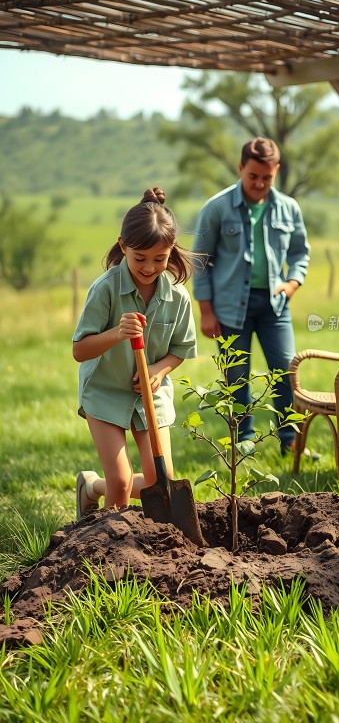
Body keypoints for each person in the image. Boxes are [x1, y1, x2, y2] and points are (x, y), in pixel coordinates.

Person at [73, 187, 197, 519]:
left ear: (171, 251)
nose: (149, 267)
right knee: (120, 482)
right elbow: (79, 350)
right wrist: (117, 333)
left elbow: (180, 350)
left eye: (160, 259)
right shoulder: (105, 290)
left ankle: (89, 486)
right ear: (123, 246)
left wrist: (159, 370)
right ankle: (111, 546)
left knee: (161, 480)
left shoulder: (178, 298)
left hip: (149, 396)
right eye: (139, 258)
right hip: (105, 391)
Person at [192, 137, 310, 455]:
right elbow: (199, 260)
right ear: (240, 168)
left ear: (276, 172)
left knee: (285, 370)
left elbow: (300, 253)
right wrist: (206, 310)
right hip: (230, 309)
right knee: (237, 377)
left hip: (275, 306)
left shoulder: (289, 208)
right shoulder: (216, 208)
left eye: (266, 178)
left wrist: (293, 283)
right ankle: (243, 442)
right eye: (253, 176)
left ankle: (291, 441)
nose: (259, 184)